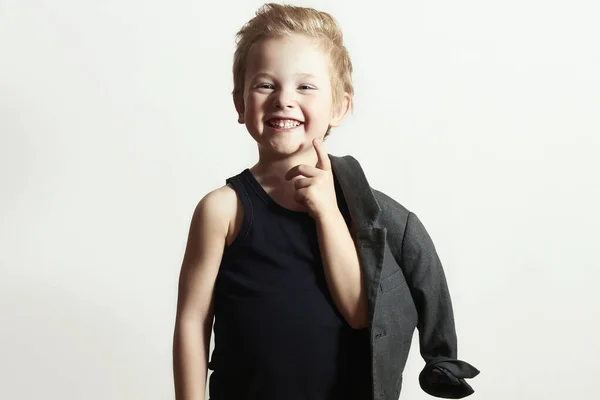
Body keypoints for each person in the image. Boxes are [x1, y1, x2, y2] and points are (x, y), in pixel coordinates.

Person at [172, 3, 479, 400]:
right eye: (265, 84)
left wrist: (327, 212)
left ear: (339, 107)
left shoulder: (362, 214)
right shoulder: (223, 209)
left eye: (305, 86)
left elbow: (359, 313)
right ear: (239, 102)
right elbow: (192, 321)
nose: (283, 99)